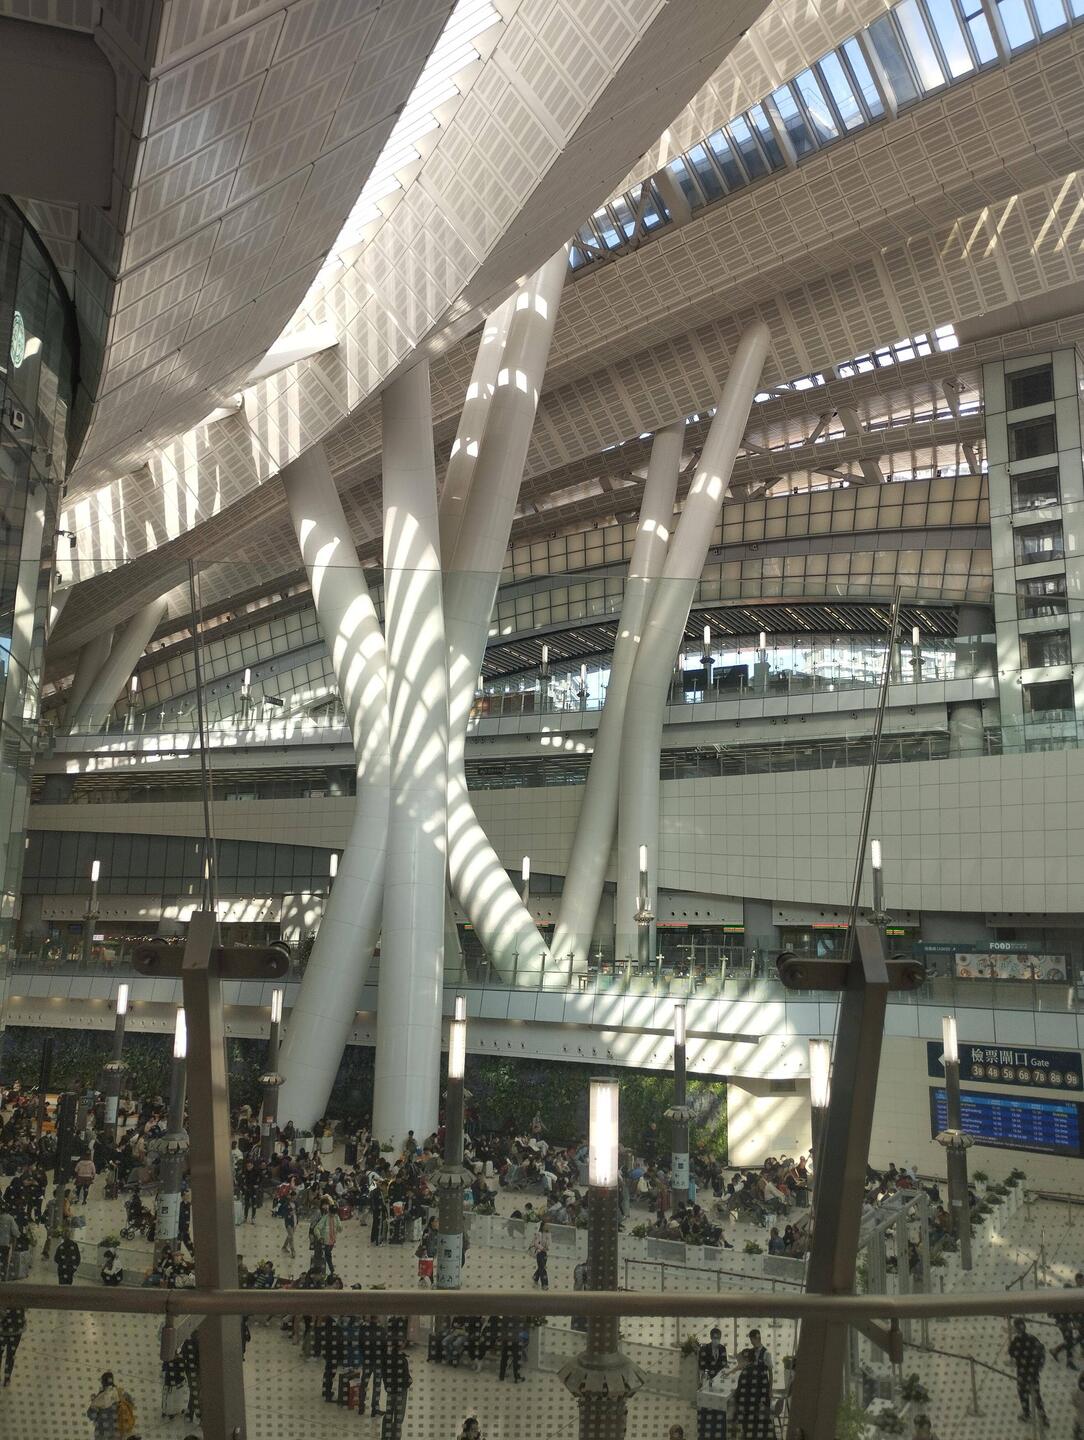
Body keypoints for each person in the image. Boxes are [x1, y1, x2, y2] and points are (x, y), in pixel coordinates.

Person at [1008, 1318, 1049, 1426]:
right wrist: (1040, 1365)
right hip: (1034, 1372)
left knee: (1023, 1392)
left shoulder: (1016, 1341)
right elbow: (1041, 1350)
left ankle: (1026, 1414)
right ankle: (1043, 1417)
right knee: (1036, 1395)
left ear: (1016, 1329)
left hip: (1022, 1372)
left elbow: (1011, 1352)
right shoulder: (1032, 1338)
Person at [731, 1345, 773, 1440]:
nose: (739, 1365)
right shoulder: (761, 1370)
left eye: (740, 1362)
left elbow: (739, 1396)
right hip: (763, 1410)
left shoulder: (745, 1373)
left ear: (746, 1360)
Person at [87, 1371, 136, 1439]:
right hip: (119, 1431)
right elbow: (131, 1404)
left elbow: (92, 1416)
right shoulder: (122, 1393)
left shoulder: (99, 1398)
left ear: (103, 1382)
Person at [0, 1307, 25, 1387]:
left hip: (4, 1329)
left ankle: (7, 1378)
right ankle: (7, 1378)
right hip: (16, 1328)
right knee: (11, 1355)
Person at [530, 1219, 549, 1290]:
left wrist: (547, 1247)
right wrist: (542, 1248)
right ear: (542, 1226)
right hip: (539, 1253)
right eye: (546, 1225)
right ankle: (545, 1284)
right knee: (543, 1268)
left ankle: (535, 1277)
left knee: (541, 1267)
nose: (547, 1226)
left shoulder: (547, 1234)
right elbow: (536, 1243)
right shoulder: (539, 1234)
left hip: (545, 1253)